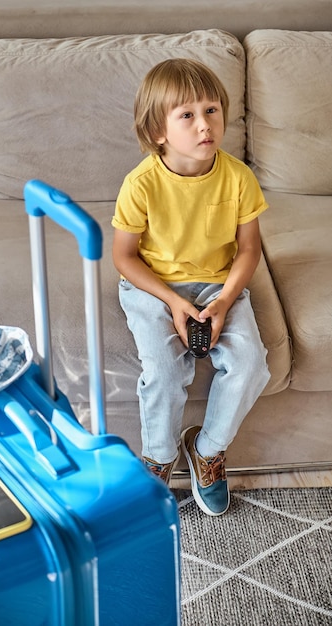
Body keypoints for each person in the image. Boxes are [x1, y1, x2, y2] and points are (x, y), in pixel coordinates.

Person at [111, 58, 271, 516]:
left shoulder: (238, 178)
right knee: (163, 370)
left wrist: (222, 302)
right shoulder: (140, 184)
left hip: (220, 284)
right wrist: (175, 302)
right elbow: (124, 256)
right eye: (187, 115)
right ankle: (159, 458)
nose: (205, 124)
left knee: (250, 364)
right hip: (154, 287)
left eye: (212, 110)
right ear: (158, 130)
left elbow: (248, 251)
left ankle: (206, 450)